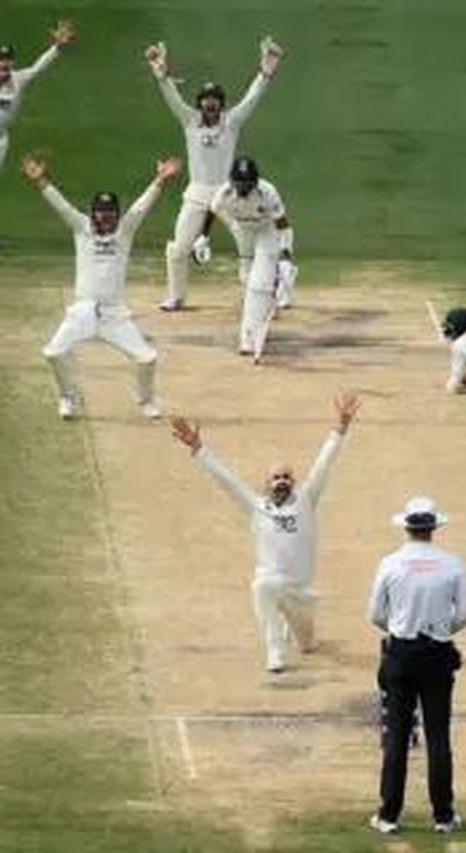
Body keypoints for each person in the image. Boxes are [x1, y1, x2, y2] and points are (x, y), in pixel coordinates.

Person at [168, 392, 359, 672]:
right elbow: (226, 480)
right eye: (276, 477)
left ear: (294, 481)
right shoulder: (256, 506)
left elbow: (323, 465)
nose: (281, 481)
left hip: (300, 592)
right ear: (266, 484)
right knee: (262, 587)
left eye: (286, 477)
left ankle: (293, 630)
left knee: (306, 644)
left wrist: (340, 429)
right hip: (271, 583)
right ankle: (275, 652)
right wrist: (199, 448)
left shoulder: (305, 501)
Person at [20, 151, 182, 420]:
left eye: (110, 213)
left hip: (114, 314)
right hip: (82, 311)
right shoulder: (81, 228)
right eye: (101, 212)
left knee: (147, 359)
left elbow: (142, 207)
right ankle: (68, 397)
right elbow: (61, 206)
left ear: (117, 214)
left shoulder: (125, 230)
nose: (105, 217)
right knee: (53, 353)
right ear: (92, 213)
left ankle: (146, 400)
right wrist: (41, 181)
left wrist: (159, 181)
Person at [144, 36, 285, 311]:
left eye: (215, 101)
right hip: (197, 193)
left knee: (247, 249)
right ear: (199, 103)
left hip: (228, 195)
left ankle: (255, 295)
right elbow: (172, 100)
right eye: (206, 101)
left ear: (221, 104)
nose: (210, 105)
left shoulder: (231, 122)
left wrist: (265, 74)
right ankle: (176, 296)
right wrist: (162, 77)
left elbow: (251, 99)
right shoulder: (189, 121)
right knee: (178, 249)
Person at [367, 496, 466, 835]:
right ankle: (443, 816)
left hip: (400, 654)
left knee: (397, 736)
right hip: (437, 654)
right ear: (433, 528)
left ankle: (388, 815)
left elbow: (376, 614)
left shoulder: (390, 563)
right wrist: (441, 631)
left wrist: (399, 630)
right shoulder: (453, 564)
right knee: (438, 736)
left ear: (408, 527)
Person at [0, 18, 76, 251]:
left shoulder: (18, 80)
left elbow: (39, 68)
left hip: (0, 140)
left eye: (8, 65)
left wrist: (58, 47)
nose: (4, 69)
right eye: (0, 65)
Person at [208, 156, 296, 361]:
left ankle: (248, 337)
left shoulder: (268, 192)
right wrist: (203, 237)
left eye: (247, 183)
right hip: (243, 230)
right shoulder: (225, 192)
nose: (243, 187)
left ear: (255, 182)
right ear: (232, 181)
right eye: (239, 183)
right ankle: (265, 299)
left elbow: (284, 225)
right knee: (247, 279)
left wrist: (286, 254)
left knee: (258, 284)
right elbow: (211, 210)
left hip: (267, 231)